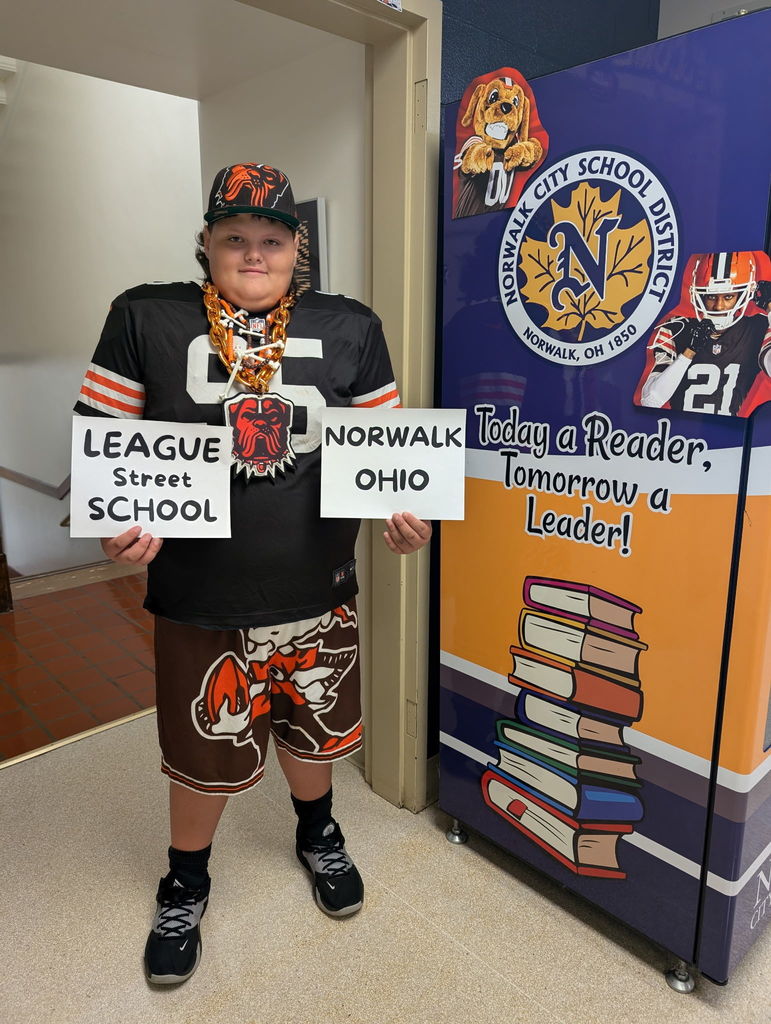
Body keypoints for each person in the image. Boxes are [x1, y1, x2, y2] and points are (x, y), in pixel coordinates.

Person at [74, 162, 432, 985]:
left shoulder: (350, 326)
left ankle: (319, 835)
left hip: (316, 586)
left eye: (270, 239)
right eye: (234, 237)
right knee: (204, 749)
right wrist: (113, 530)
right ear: (206, 243)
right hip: (201, 595)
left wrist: (402, 520)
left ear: (296, 248)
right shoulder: (145, 315)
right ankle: (185, 881)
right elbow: (102, 449)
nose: (253, 253)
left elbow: (393, 456)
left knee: (312, 735)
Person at [639, 251, 771, 416]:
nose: (719, 306)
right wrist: (688, 352)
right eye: (711, 296)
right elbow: (651, 400)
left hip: (726, 432)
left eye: (728, 296)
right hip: (678, 430)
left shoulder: (757, 327)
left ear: (743, 295)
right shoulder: (676, 328)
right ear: (698, 294)